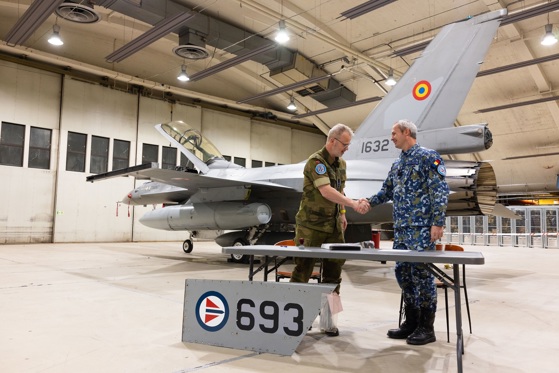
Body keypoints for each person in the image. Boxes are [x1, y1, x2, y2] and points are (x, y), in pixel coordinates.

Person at [367, 119, 449, 345]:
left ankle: (427, 327)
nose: (391, 137)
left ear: (406, 132)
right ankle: (411, 322)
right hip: (402, 230)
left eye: (394, 133)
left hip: (422, 228)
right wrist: (366, 202)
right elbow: (386, 192)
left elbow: (440, 190)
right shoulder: (397, 164)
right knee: (403, 274)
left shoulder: (428, 157)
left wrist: (437, 222)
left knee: (422, 276)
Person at [289, 123, 369, 337]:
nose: (346, 149)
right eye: (344, 144)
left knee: (334, 275)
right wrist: (352, 204)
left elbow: (339, 189)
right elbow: (326, 191)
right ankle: (296, 319)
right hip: (311, 227)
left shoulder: (341, 164)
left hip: (333, 227)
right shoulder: (316, 162)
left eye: (348, 145)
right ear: (332, 141)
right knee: (303, 272)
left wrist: (342, 212)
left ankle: (328, 320)